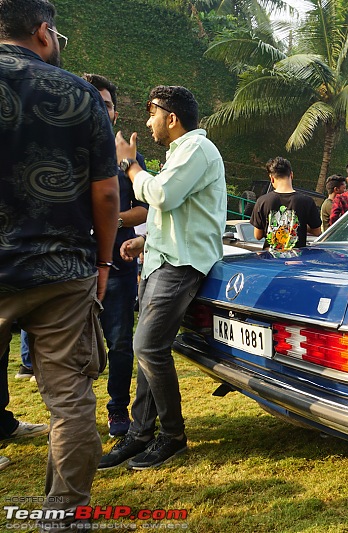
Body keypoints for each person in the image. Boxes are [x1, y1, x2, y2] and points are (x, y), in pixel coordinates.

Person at [0, 0, 120, 519]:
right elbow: (108, 196)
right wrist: (102, 263)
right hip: (63, 270)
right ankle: (65, 516)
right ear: (44, 31)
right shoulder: (79, 93)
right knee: (70, 401)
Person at [99, 85, 226, 471]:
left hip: (182, 264)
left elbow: (163, 195)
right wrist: (144, 241)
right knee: (146, 351)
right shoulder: (180, 153)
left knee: (148, 347)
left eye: (152, 114)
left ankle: (172, 436)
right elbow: (172, 212)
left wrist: (131, 164)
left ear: (172, 118)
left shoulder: (197, 149)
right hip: (162, 260)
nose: (148, 122)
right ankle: (140, 434)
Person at [83, 73, 149, 438]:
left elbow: (145, 210)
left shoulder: (127, 160)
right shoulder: (63, 151)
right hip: (72, 266)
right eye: (91, 99)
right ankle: (73, 420)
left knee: (121, 344)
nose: (98, 108)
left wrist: (111, 218)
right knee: (70, 351)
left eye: (105, 104)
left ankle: (117, 410)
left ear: (115, 113)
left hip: (120, 269)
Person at [251, 157, 322, 250]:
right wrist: (299, 224)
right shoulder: (307, 201)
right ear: (291, 175)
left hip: (270, 261)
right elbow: (317, 232)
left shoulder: (262, 201)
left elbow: (257, 235)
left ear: (272, 178)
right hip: (296, 261)